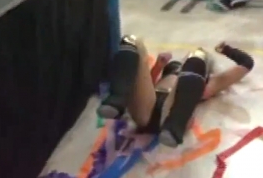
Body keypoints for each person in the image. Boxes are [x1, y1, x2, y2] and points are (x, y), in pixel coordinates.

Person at [96, 35, 254, 147]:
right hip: (148, 107)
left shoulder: (206, 84)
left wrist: (227, 50)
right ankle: (117, 98)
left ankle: (175, 124)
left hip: (174, 111)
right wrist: (159, 66)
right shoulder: (185, 72)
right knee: (131, 40)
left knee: (198, 55)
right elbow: (145, 84)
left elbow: (247, 64)